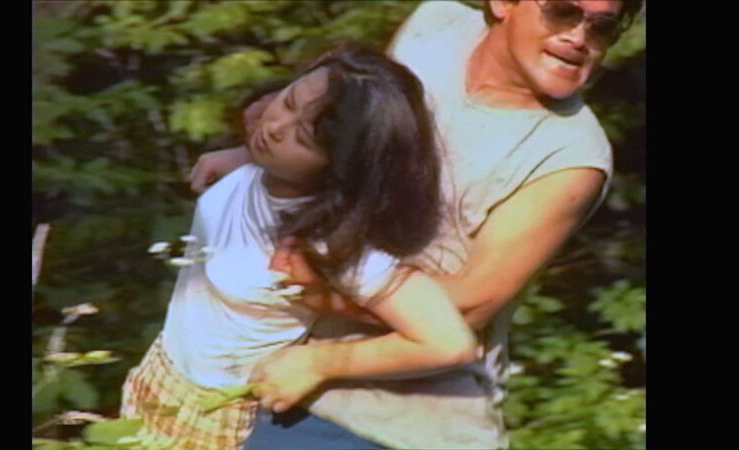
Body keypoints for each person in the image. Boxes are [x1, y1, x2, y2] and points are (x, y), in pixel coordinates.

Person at [189, 1, 644, 449]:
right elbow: (353, 138)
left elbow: (468, 308)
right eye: (563, 11)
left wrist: (319, 312)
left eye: (603, 27)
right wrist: (257, 158)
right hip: (279, 373)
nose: (579, 38)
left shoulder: (571, 159)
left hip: (396, 424)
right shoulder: (436, 23)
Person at [120, 45, 483, 449]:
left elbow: (449, 342)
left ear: (341, 164)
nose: (277, 126)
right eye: (289, 101)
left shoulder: (324, 240)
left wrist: (320, 364)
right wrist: (244, 157)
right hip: (160, 373)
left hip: (212, 413)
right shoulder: (264, 167)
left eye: (305, 136)